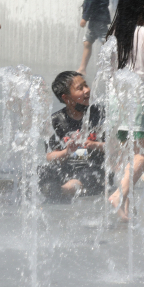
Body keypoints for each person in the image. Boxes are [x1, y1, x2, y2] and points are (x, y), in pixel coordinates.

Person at [106, 0, 144, 221]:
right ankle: (119, 193)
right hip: (140, 98)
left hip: (116, 100)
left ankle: (124, 211)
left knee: (125, 155)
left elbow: (109, 74)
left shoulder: (112, 34)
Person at [38, 71, 106, 203]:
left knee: (88, 175)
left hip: (95, 168)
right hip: (66, 167)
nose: (87, 90)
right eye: (80, 89)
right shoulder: (56, 121)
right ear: (66, 98)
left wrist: (95, 145)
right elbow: (50, 156)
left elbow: (117, 147)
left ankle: (62, 191)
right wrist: (67, 151)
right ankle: (22, 188)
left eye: (86, 85)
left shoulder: (100, 114)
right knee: (43, 170)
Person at [76, 0, 111, 75]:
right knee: (88, 41)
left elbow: (90, 0)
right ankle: (82, 68)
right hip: (98, 18)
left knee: (106, 43)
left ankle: (112, 69)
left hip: (98, 19)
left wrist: (85, 18)